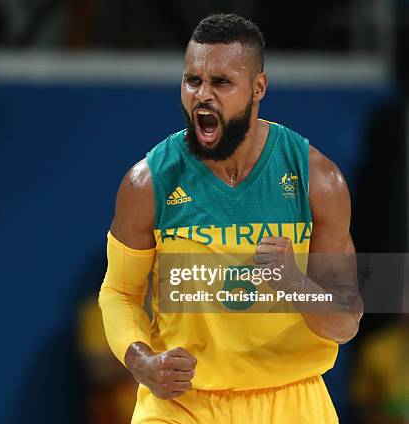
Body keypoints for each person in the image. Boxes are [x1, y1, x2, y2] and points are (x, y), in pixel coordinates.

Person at [98, 13, 363, 423]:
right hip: (183, 404)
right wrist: (141, 361)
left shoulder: (317, 179)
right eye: (192, 81)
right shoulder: (147, 182)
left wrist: (294, 282)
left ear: (258, 88)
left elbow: (345, 323)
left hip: (291, 401)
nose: (203, 94)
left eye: (221, 82)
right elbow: (119, 293)